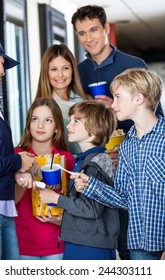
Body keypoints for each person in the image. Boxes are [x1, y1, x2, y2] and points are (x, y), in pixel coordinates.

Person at [71, 5, 164, 260]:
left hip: (130, 155)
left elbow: (156, 115)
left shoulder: (134, 65)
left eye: (93, 30)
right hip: (103, 164)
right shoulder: (79, 72)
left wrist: (124, 149)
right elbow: (124, 196)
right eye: (81, 33)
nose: (88, 38)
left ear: (106, 29)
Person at [39, 100, 120, 260]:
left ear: (94, 131)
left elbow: (91, 209)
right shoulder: (85, 160)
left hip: (90, 245)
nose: (69, 126)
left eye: (76, 121)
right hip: (83, 239)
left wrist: (56, 198)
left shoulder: (94, 165)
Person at [14, 97, 74, 260]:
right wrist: (23, 177)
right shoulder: (16, 155)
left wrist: (62, 221)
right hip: (22, 243)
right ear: (29, 124)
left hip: (56, 242)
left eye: (48, 120)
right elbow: (11, 201)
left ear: (56, 128)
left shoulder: (66, 158)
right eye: (35, 119)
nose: (40, 126)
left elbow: (72, 202)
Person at [0, 35, 35, 260]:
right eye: (1, 64)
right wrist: (17, 162)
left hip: (4, 208)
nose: (3, 71)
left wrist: (16, 170)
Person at [34, 44, 88, 156]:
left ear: (73, 70)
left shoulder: (86, 102)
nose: (60, 75)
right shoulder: (40, 109)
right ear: (46, 72)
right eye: (54, 69)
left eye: (66, 68)